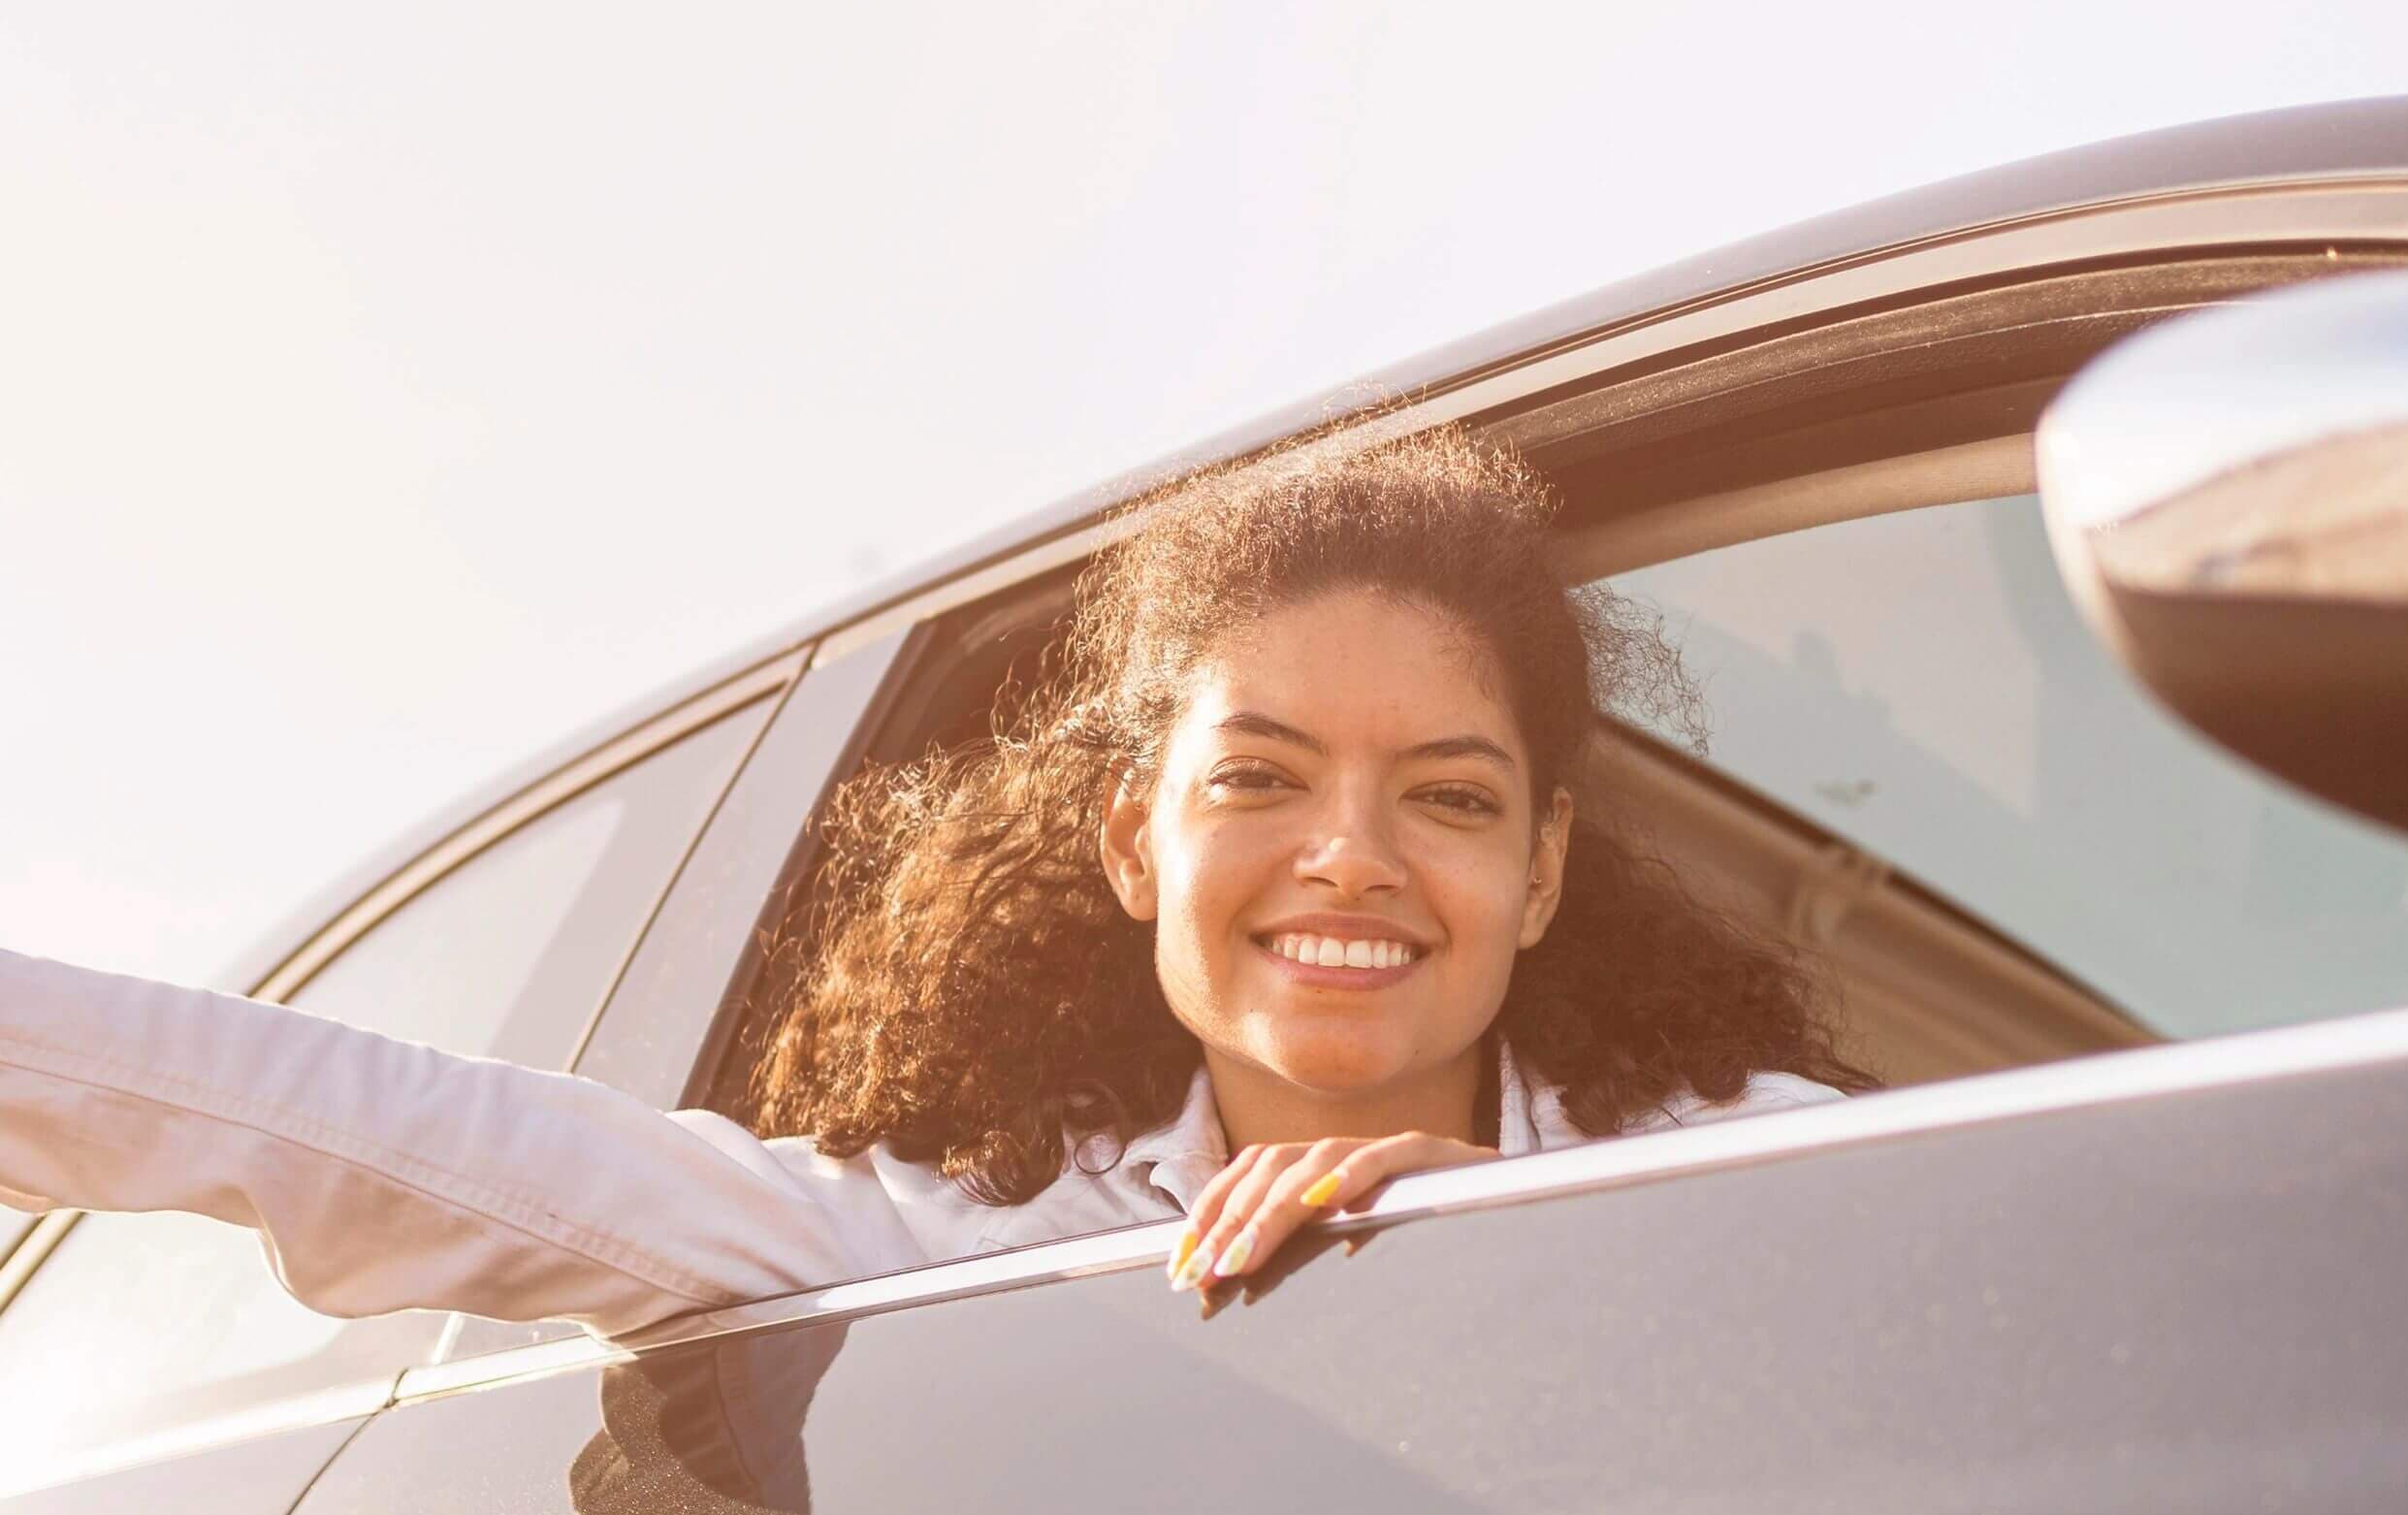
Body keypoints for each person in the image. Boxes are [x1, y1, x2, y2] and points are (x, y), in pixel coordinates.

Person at [0, 427, 1874, 1343]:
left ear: (1542, 872)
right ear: (1137, 844)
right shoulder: (938, 1257)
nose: (1349, 858)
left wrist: (1607, 1255)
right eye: (1259, 778)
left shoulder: (1786, 1180)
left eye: (1450, 800)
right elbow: (384, 1130)